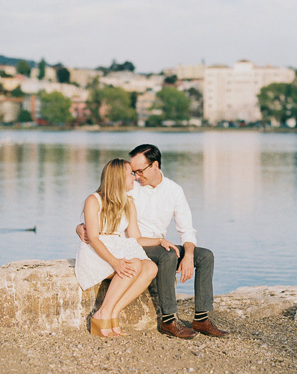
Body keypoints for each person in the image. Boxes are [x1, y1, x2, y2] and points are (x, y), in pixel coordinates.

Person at [78, 144, 228, 339]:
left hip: (154, 242)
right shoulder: (131, 190)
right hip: (134, 246)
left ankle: (201, 318)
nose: (137, 175)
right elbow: (105, 207)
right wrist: (80, 227)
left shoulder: (174, 190)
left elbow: (187, 229)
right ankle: (169, 320)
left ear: (154, 165)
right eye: (133, 171)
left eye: (139, 171)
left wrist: (188, 254)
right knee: (167, 256)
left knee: (205, 256)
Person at [74, 158, 160, 337]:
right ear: (119, 177)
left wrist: (160, 241)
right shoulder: (94, 200)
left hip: (120, 248)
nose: (135, 178)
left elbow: (136, 237)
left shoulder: (129, 203)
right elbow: (95, 238)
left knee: (151, 267)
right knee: (133, 264)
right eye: (131, 174)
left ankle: (113, 312)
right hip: (98, 252)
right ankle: (102, 313)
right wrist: (115, 262)